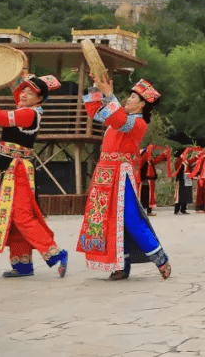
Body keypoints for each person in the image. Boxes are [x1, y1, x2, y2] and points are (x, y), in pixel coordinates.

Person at [77, 73, 171, 279]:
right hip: (104, 174)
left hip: (120, 175)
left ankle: (160, 258)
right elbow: (95, 112)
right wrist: (97, 87)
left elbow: (118, 119)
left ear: (142, 106)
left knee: (130, 217)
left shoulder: (137, 124)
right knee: (109, 220)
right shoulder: (118, 118)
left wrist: (110, 95)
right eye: (129, 96)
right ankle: (121, 265)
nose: (129, 99)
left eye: (134, 98)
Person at [0, 72, 69, 278]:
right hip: (8, 170)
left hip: (16, 171)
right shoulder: (25, 110)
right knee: (13, 216)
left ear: (40, 99)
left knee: (21, 215)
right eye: (23, 91)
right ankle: (22, 263)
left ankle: (55, 253)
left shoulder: (29, 114)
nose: (24, 94)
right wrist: (14, 78)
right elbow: (14, 98)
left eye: (30, 92)